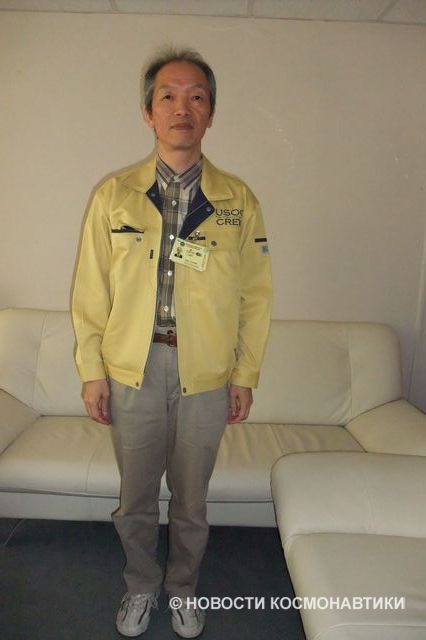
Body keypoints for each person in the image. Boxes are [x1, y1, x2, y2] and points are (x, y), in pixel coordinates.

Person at [71, 46, 272, 638]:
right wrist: (92, 370)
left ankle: (182, 587)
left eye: (196, 97)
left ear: (210, 113)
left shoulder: (238, 201)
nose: (182, 108)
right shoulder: (113, 196)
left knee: (191, 498)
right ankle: (140, 585)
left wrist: (244, 374)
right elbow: (90, 291)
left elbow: (256, 297)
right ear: (149, 112)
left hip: (205, 374)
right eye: (168, 96)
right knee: (135, 497)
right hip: (132, 369)